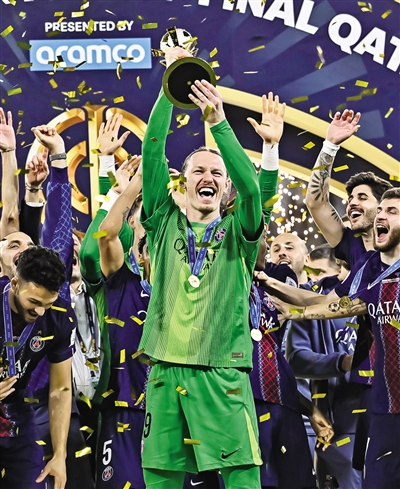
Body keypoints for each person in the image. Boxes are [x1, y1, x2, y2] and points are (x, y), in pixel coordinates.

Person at [139, 47, 263, 489]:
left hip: (222, 370)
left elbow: (253, 190)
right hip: (164, 369)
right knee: (160, 476)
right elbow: (152, 153)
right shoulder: (162, 220)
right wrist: (169, 87)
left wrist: (219, 124)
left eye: (217, 173)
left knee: (242, 477)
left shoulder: (240, 231)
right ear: (184, 180)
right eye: (198, 171)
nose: (207, 177)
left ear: (226, 187)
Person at [270, 187, 400, 489]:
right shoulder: (373, 271)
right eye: (380, 210)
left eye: (392, 211)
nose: (380, 216)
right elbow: (344, 306)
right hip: (385, 407)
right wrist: (295, 312)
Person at [286, 245, 362, 489]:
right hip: (336, 430)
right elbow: (295, 359)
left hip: (384, 421)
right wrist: (342, 362)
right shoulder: (313, 303)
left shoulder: (385, 291)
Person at [0, 246, 76, 489]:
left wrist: (60, 455)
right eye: (33, 301)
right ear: (15, 284)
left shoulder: (60, 316)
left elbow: (60, 389)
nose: (40, 311)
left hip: (17, 412)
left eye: (48, 303)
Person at [95, 160, 150, 489]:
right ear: (133, 222)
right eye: (148, 215)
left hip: (176, 411)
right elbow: (106, 235)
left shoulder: (184, 286)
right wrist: (135, 184)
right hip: (124, 411)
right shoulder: (123, 277)